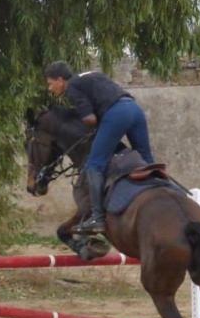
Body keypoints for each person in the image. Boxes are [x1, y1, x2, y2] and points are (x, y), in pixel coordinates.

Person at [44, 61, 154, 234]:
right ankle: (158, 193)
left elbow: (90, 119)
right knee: (146, 159)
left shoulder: (71, 88)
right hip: (134, 109)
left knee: (94, 164)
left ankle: (97, 218)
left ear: (60, 80)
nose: (50, 88)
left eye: (50, 84)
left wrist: (82, 120)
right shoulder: (90, 75)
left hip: (117, 114)